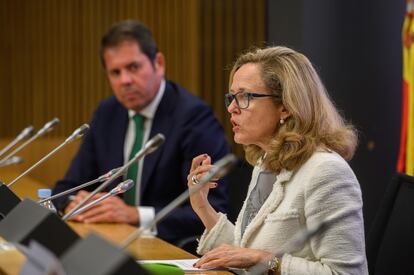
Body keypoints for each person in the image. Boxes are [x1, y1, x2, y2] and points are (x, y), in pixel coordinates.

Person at [187, 46, 368, 274]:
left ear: (285, 106)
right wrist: (203, 207)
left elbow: (347, 273)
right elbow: (245, 252)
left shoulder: (326, 172)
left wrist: (268, 261)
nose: (232, 108)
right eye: (231, 97)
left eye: (244, 97)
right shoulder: (267, 162)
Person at [52, 20, 230, 244]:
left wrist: (135, 215)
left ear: (159, 63)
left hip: (168, 247)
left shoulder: (193, 117)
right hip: (109, 241)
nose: (125, 80)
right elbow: (66, 188)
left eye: (133, 67)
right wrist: (73, 204)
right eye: (115, 72)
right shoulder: (107, 113)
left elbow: (213, 210)